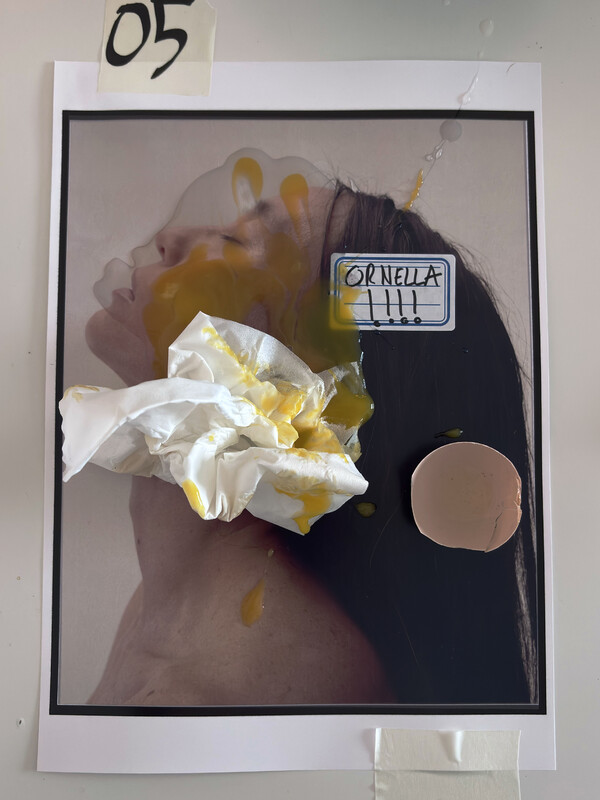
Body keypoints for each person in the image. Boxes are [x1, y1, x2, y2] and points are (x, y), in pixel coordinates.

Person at [83, 151, 537, 706]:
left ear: (306, 393)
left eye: (232, 242)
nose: (170, 238)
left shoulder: (223, 695)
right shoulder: (168, 611)